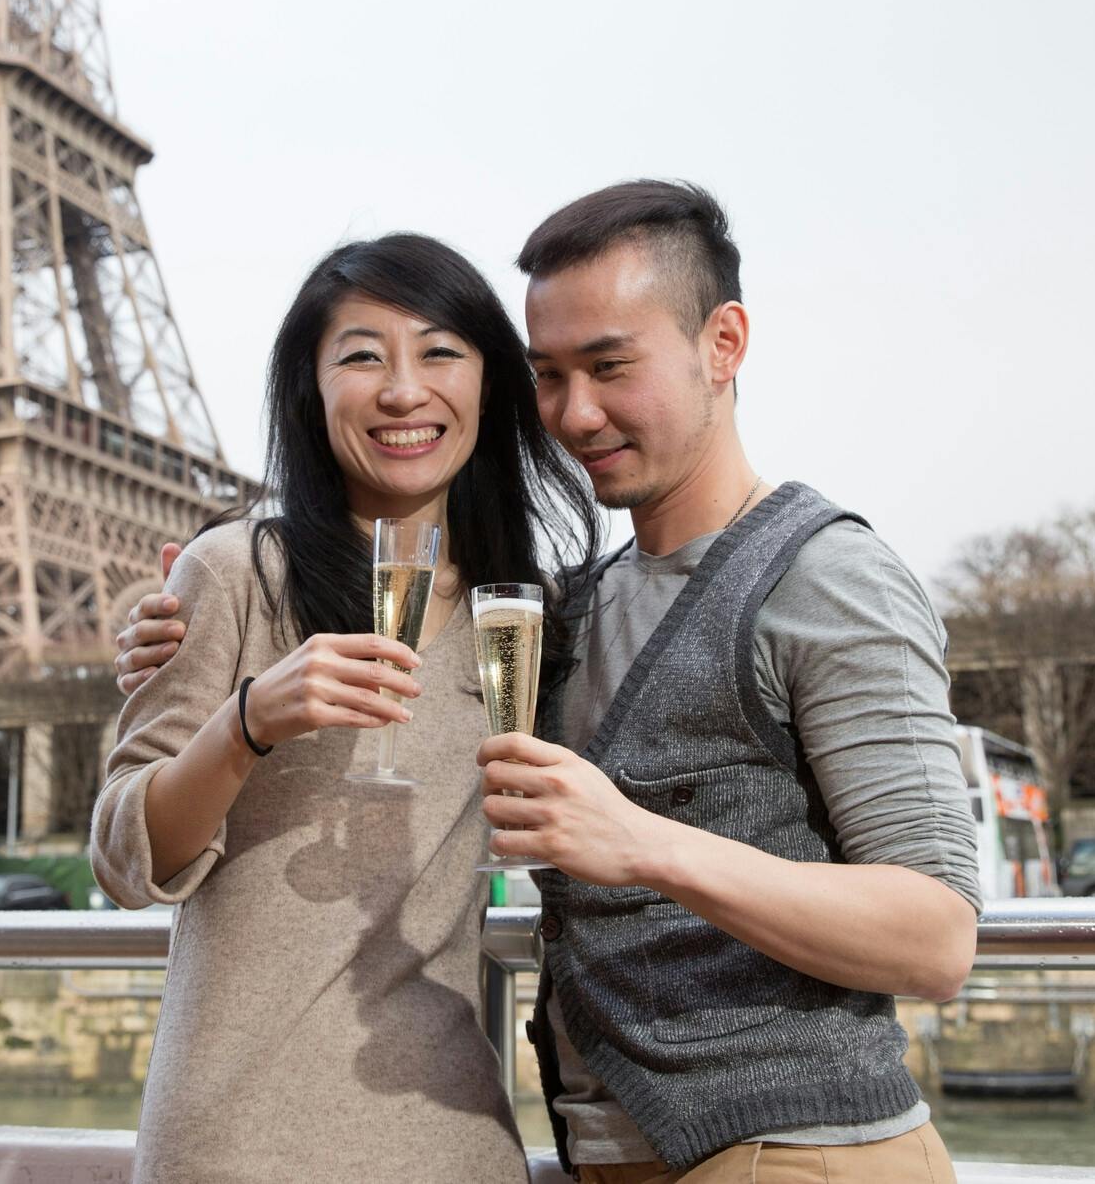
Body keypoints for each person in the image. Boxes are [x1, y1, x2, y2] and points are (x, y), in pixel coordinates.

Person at [116, 182, 981, 1184]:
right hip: (585, 1151)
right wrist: (210, 677)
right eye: (551, 375)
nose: (576, 412)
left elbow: (936, 937)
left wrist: (644, 843)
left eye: (610, 366)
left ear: (723, 344)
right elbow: (139, 835)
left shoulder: (825, 579)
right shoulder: (550, 613)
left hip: (784, 1152)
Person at [89, 232, 596, 1184]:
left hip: (453, 1142)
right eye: (362, 355)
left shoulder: (525, 616)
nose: (404, 389)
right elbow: (126, 857)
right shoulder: (236, 572)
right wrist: (244, 723)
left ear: (492, 384)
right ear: (311, 392)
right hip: (237, 1145)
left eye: (440, 350)